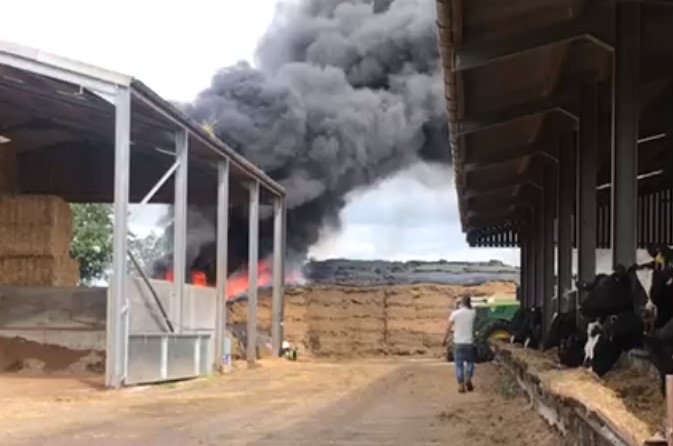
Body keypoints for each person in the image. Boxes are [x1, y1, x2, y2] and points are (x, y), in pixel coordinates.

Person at [443, 295, 477, 393]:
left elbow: (448, 328)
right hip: (469, 342)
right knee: (470, 362)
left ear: (461, 303)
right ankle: (468, 378)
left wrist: (444, 339)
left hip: (458, 343)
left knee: (459, 365)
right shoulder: (473, 313)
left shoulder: (455, 313)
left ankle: (461, 385)